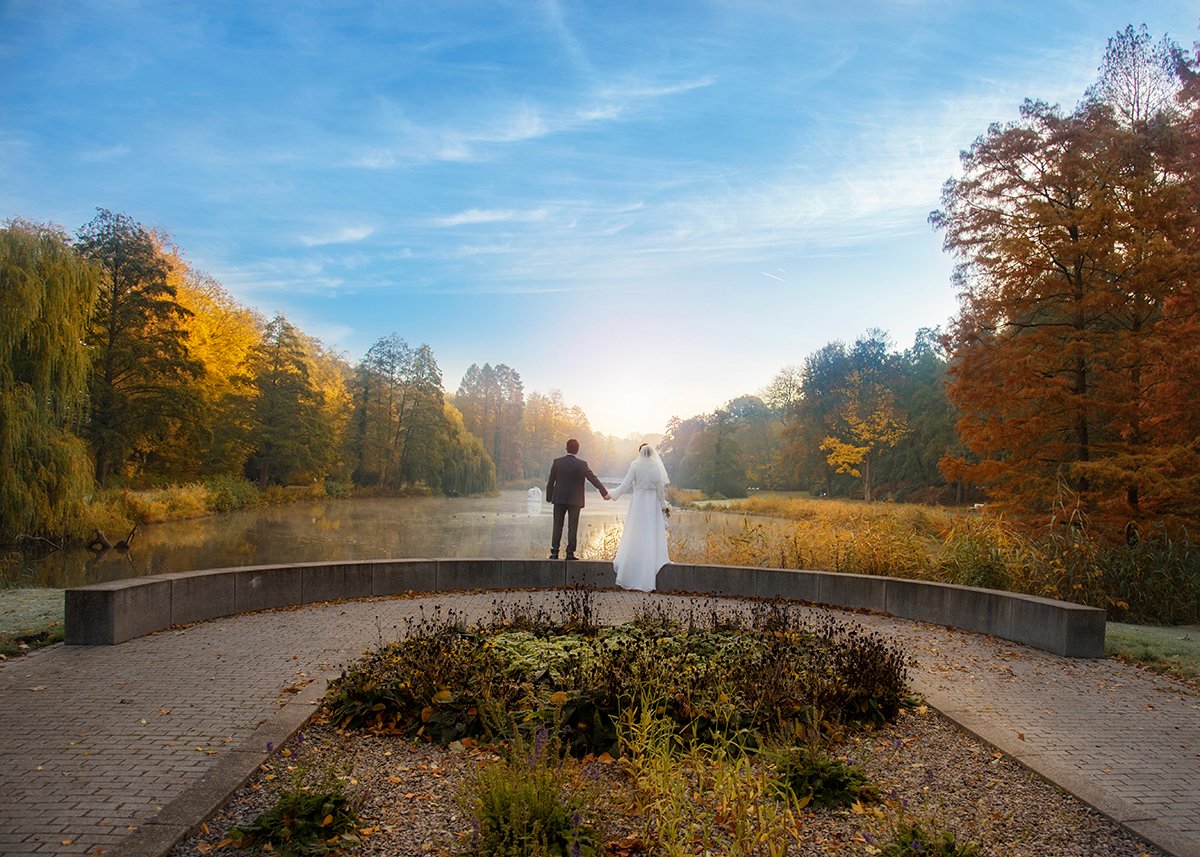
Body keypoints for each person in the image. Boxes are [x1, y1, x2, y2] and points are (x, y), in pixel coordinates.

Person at [608, 443, 671, 591]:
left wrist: (612, 494)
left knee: (634, 535)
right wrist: (663, 507)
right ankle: (646, 576)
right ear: (652, 454)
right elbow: (661, 491)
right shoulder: (656, 468)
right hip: (651, 505)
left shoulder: (635, 465)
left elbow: (625, 485)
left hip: (638, 504)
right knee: (649, 536)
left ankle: (630, 570)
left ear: (640, 452)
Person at [545, 438, 610, 560]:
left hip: (559, 498)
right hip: (575, 500)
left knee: (557, 525)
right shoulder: (582, 464)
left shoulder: (557, 462)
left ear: (566, 448)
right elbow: (593, 478)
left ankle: (554, 552)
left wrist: (549, 497)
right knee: (573, 526)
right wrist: (604, 492)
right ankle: (570, 553)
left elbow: (551, 481)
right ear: (577, 450)